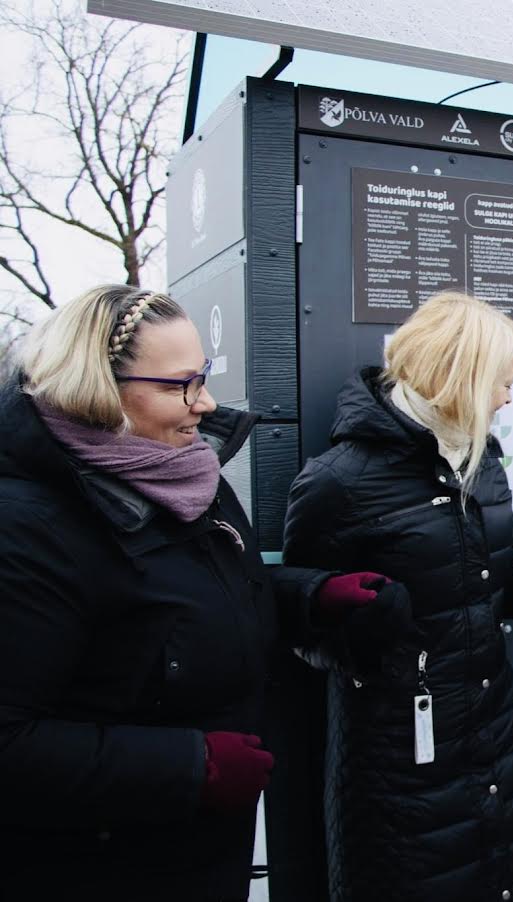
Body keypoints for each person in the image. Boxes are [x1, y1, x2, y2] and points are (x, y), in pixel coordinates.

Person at [0, 285, 409, 901]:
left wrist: (310, 600)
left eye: (206, 375)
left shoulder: (185, 473)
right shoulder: (26, 525)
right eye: (181, 384)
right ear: (97, 387)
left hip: (199, 853)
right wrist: (192, 769)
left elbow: (191, 601)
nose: (207, 402)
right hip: (96, 869)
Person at [282, 290, 513, 902]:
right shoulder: (336, 483)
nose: (508, 398)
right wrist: (360, 629)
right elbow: (299, 626)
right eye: (502, 383)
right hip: (399, 765)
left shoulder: (480, 461)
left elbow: (509, 586)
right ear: (460, 376)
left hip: (496, 741)